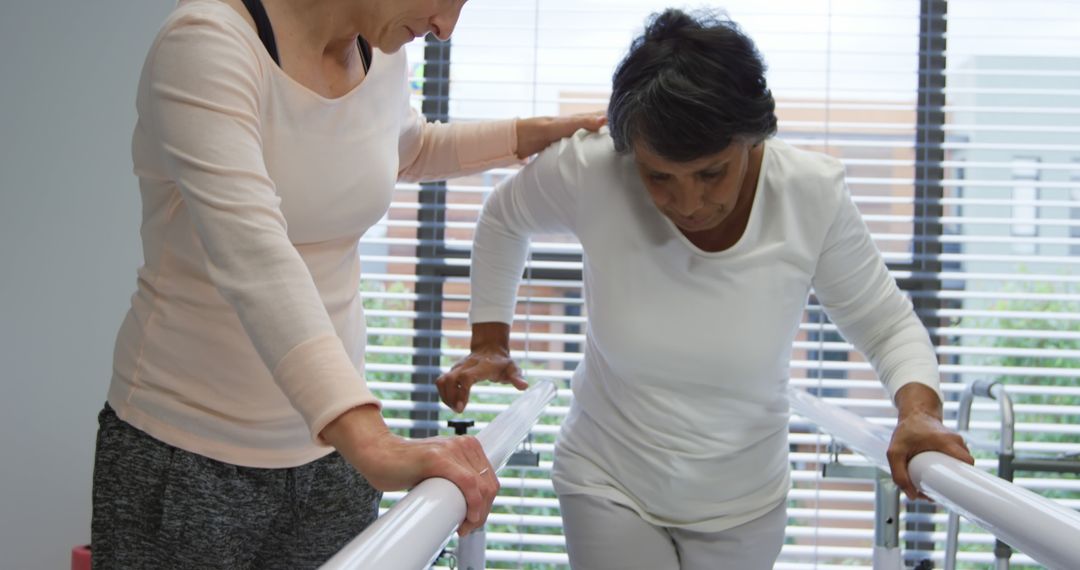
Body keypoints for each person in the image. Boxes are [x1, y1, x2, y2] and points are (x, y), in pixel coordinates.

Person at [436, 8, 975, 570]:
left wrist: (919, 412)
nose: (688, 204)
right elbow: (503, 216)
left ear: (752, 138)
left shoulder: (809, 194)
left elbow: (885, 324)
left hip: (744, 500)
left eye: (712, 173)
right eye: (660, 177)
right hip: (608, 479)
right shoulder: (594, 169)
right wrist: (490, 337)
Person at [91, 0, 604, 568]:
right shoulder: (206, 44)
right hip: (189, 454)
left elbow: (409, 147)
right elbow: (254, 251)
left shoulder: (377, 50)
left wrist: (539, 134)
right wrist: (375, 442)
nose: (445, 29)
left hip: (331, 456)